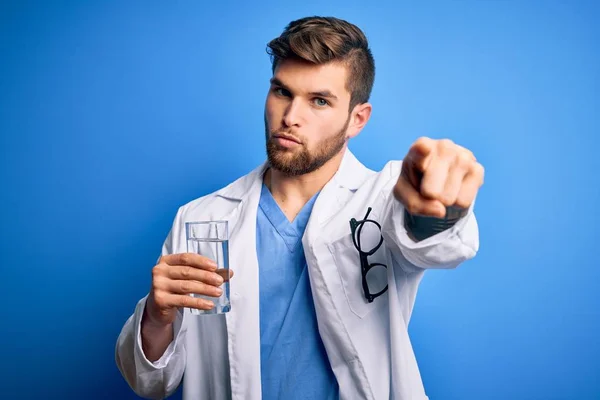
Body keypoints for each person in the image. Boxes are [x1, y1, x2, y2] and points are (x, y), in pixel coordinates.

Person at [115, 15, 484, 400]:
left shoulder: (384, 199)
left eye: (319, 101)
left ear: (357, 119)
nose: (291, 118)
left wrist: (440, 210)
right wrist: (156, 318)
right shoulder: (201, 219)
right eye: (281, 92)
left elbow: (430, 239)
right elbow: (150, 382)